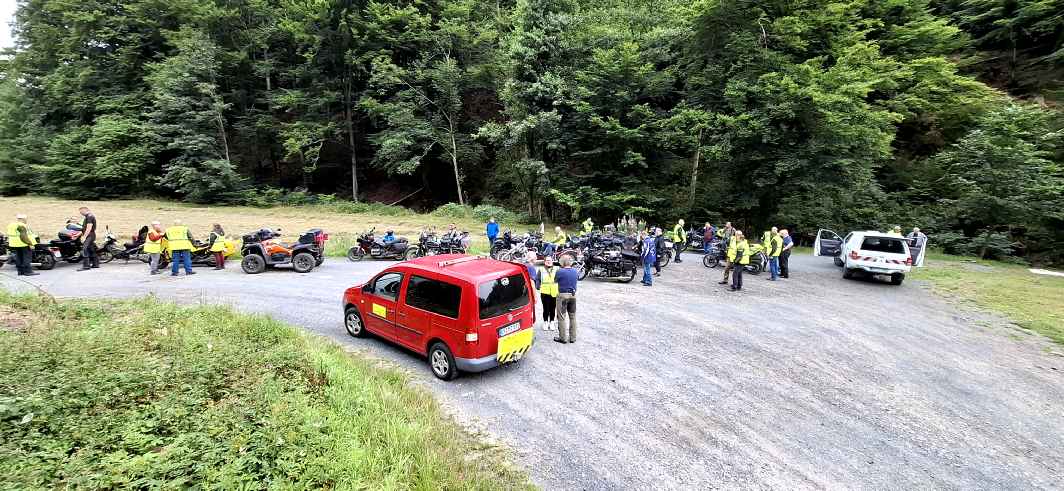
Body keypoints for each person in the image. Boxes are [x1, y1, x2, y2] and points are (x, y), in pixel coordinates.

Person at [554, 255, 579, 344]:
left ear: (562, 262)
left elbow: (555, 281)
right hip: (573, 296)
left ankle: (563, 338)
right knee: (573, 317)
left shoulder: (559, 271)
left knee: (561, 317)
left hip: (562, 296)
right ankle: (573, 338)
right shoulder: (575, 271)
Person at [537, 256, 560, 331]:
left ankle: (552, 322)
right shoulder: (541, 269)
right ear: (544, 262)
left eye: (550, 260)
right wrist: (538, 286)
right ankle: (545, 322)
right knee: (545, 308)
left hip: (554, 291)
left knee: (553, 308)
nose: (548, 261)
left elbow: (560, 279)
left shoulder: (557, 269)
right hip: (544, 291)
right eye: (547, 260)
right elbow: (538, 279)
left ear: (552, 261)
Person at [77, 206, 99, 271]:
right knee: (91, 249)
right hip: (91, 235)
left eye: (81, 212)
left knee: (84, 249)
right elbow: (84, 228)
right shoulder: (89, 216)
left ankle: (86, 266)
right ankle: (95, 264)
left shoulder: (89, 216)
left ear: (85, 210)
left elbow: (89, 228)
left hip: (89, 235)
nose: (80, 213)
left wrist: (84, 237)